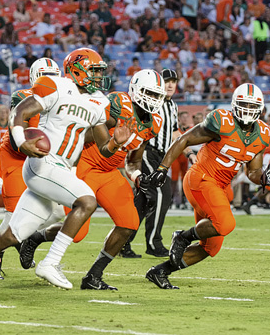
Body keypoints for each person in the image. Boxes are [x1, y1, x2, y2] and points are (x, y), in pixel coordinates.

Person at [0, 48, 131, 291]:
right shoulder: (56, 85)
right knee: (87, 201)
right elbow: (21, 112)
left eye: (100, 71)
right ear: (77, 69)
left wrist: (115, 142)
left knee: (11, 236)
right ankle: (51, 262)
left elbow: (102, 147)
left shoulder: (99, 100)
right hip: (44, 162)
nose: (99, 76)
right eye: (95, 70)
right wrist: (20, 138)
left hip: (61, 168)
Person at [18, 70, 165, 290]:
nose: (152, 100)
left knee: (129, 224)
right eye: (148, 93)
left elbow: (133, 161)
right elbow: (83, 127)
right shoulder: (117, 103)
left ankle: (93, 276)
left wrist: (137, 177)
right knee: (79, 233)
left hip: (109, 172)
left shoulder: (154, 123)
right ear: (134, 90)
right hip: (86, 165)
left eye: (156, 95)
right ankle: (35, 239)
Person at [143, 84, 270, 289]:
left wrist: (264, 179)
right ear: (234, 104)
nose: (248, 110)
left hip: (220, 187)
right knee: (226, 224)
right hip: (201, 178)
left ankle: (161, 271)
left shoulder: (263, 133)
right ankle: (182, 237)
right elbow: (184, 139)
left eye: (253, 105)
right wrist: (163, 168)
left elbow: (253, 171)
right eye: (244, 104)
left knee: (211, 246)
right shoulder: (222, 121)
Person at [0, 58, 60, 281]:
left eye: (54, 76)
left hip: (40, 158)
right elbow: (21, 134)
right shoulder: (23, 96)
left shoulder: (63, 99)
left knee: (57, 212)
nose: (50, 81)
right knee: (13, 215)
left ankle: (28, 239)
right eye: (46, 76)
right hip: (15, 157)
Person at [122, 68, 179, 258]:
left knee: (143, 201)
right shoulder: (153, 103)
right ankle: (154, 243)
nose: (170, 84)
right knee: (163, 192)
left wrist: (189, 152)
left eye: (173, 81)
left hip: (161, 156)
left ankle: (122, 241)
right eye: (167, 81)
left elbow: (175, 133)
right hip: (146, 151)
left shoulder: (173, 107)